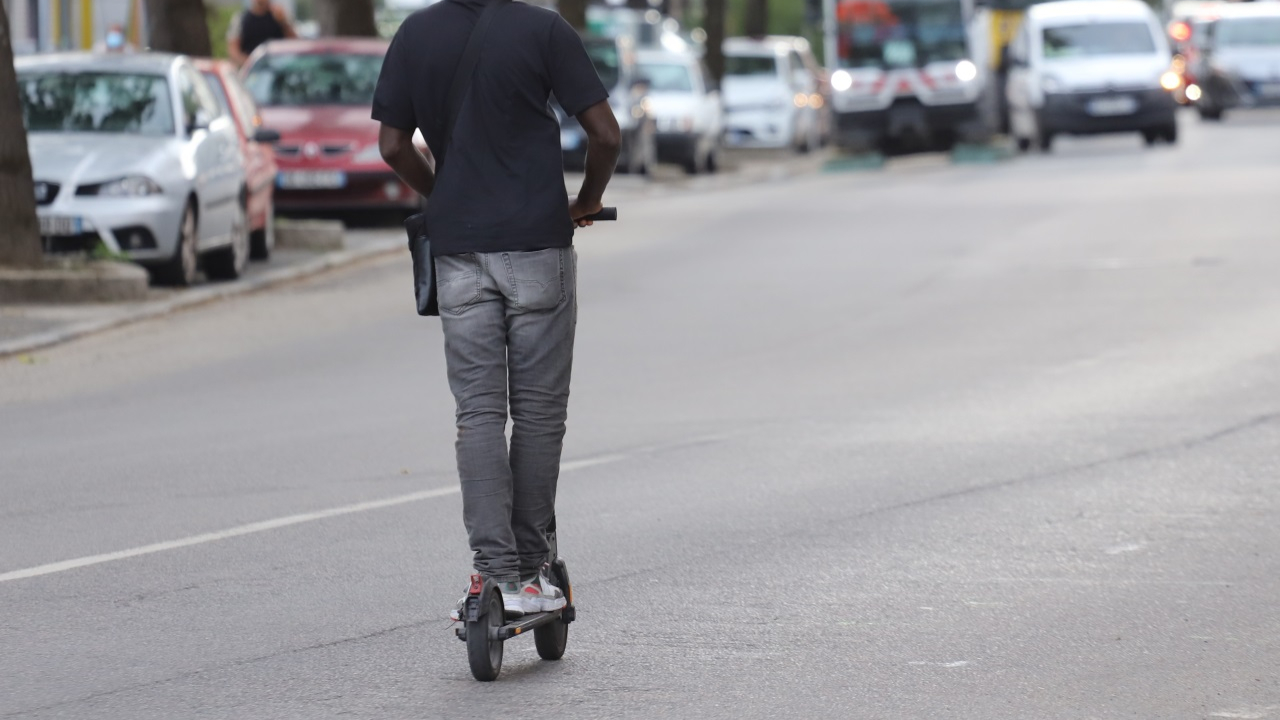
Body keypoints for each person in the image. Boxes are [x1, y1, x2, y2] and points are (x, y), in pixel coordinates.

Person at [372, 0, 620, 617]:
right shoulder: (544, 29)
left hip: (457, 250)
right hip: (537, 243)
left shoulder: (414, 33)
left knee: (477, 413)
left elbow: (393, 145)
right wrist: (586, 199)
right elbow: (606, 134)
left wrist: (445, 193)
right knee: (537, 415)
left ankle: (494, 574)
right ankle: (532, 570)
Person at [227, 0, 297, 66]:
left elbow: (295, 43)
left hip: (279, 67)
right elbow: (233, 51)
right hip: (254, 73)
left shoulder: (279, 16)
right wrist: (252, 63)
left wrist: (283, 22)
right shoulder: (241, 19)